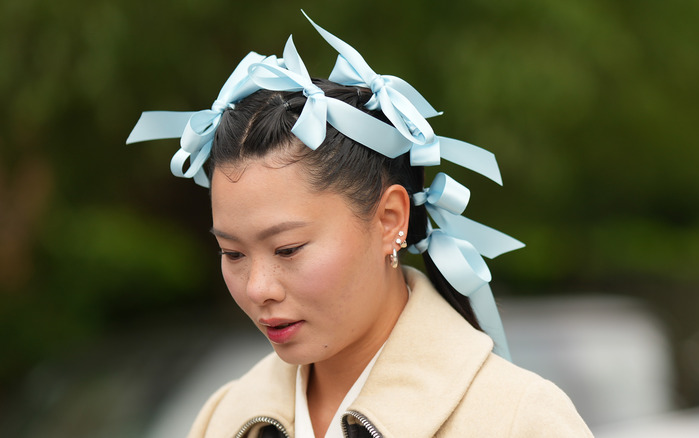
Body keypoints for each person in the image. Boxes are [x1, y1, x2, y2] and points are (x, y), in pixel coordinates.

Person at [127, 13, 593, 438]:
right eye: (233, 253)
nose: (258, 289)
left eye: (288, 249)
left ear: (390, 220)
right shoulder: (225, 420)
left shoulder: (517, 419)